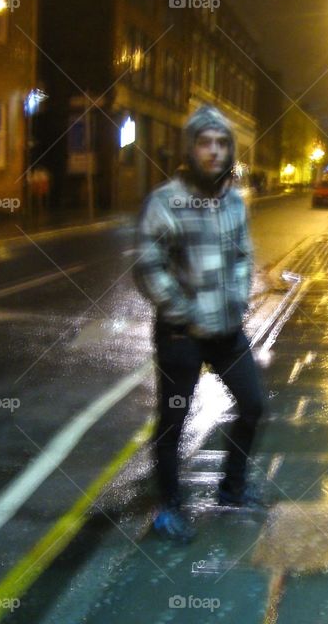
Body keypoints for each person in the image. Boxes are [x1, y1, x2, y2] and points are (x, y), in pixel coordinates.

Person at [133, 106, 265, 544]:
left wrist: (238, 297)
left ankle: (231, 489)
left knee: (254, 405)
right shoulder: (165, 200)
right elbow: (148, 267)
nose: (214, 150)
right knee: (173, 421)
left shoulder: (234, 202)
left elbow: (244, 256)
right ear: (191, 148)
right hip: (181, 335)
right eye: (205, 142)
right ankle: (169, 507)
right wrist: (182, 312)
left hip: (226, 331)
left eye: (221, 143)